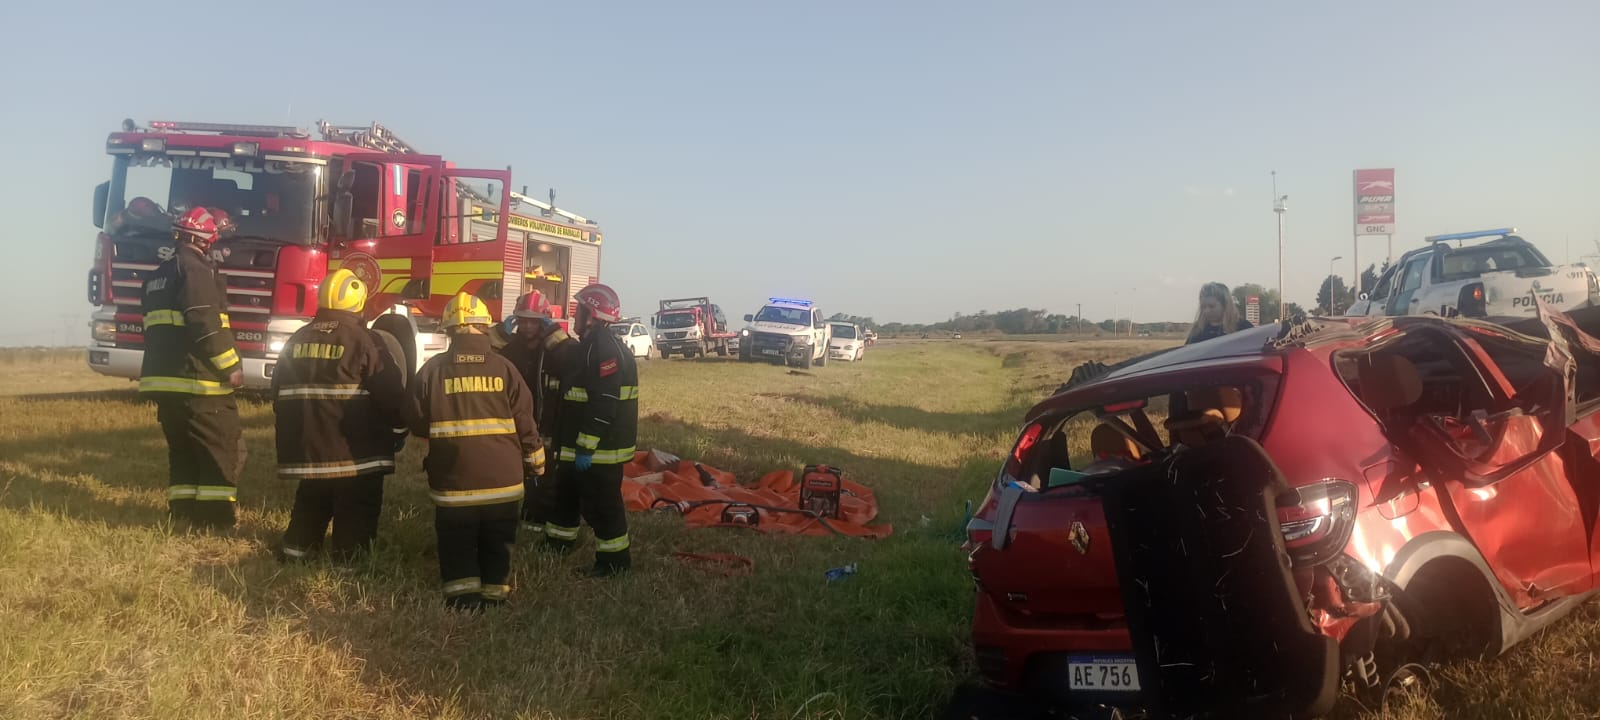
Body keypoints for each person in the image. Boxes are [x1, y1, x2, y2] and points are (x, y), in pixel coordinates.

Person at [405, 292, 545, 610]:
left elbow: (415, 421)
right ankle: (497, 593)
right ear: (484, 328)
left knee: (457, 540)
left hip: (454, 485)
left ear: (450, 331)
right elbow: (526, 419)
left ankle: (462, 597)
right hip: (504, 484)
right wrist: (536, 460)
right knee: (499, 538)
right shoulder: (506, 369)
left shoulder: (432, 371)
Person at [272, 269, 408, 563]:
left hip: (307, 449)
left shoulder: (296, 339)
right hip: (355, 454)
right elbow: (392, 395)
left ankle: (295, 554)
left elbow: (277, 393)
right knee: (356, 506)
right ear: (359, 304)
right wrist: (399, 431)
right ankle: (350, 564)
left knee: (311, 499)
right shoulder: (365, 340)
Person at [139, 206, 245, 531]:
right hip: (198, 382)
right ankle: (216, 521)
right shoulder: (196, 271)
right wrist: (230, 366)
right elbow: (204, 323)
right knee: (221, 447)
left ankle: (182, 512)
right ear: (207, 238)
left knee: (182, 451)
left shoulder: (158, 274)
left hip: (166, 383)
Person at [545, 283, 640, 577]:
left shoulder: (602, 350)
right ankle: (558, 543)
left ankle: (614, 562)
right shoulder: (590, 346)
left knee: (602, 507)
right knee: (566, 497)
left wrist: (586, 446)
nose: (574, 316)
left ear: (592, 314)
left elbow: (604, 403)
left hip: (600, 452)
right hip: (579, 447)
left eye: (579, 310)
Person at [494, 290, 582, 536]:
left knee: (544, 476)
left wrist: (554, 335)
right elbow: (484, 353)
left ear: (544, 321)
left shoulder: (555, 349)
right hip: (513, 422)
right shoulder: (511, 348)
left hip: (547, 423)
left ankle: (535, 523)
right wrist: (499, 332)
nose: (527, 325)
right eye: (522, 319)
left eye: (533, 320)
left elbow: (574, 362)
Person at [1186, 282, 1252, 345]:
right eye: (1203, 307)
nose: (1206, 311)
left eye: (1212, 306)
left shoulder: (1243, 328)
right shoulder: (1197, 330)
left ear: (1225, 305)